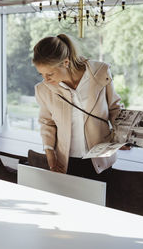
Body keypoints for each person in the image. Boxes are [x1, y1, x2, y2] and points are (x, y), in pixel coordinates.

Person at [33, 34, 124, 182]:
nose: (46, 80)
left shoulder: (100, 72)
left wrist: (123, 136)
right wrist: (50, 155)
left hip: (100, 159)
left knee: (99, 204)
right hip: (66, 162)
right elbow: (47, 123)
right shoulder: (43, 89)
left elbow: (115, 109)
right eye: (41, 74)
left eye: (49, 74)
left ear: (66, 62)